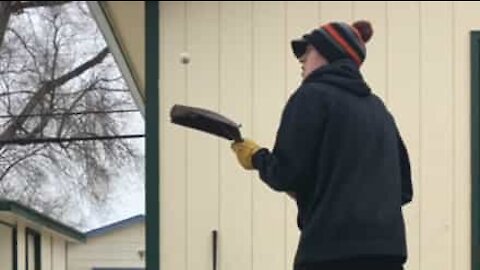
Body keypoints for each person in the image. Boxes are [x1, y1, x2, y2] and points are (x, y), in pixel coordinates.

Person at [231, 20, 413, 270]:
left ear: (329, 54)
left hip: (329, 255)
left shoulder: (311, 96)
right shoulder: (379, 110)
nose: (302, 58)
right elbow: (403, 190)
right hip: (388, 256)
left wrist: (256, 157)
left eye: (308, 49)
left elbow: (287, 174)